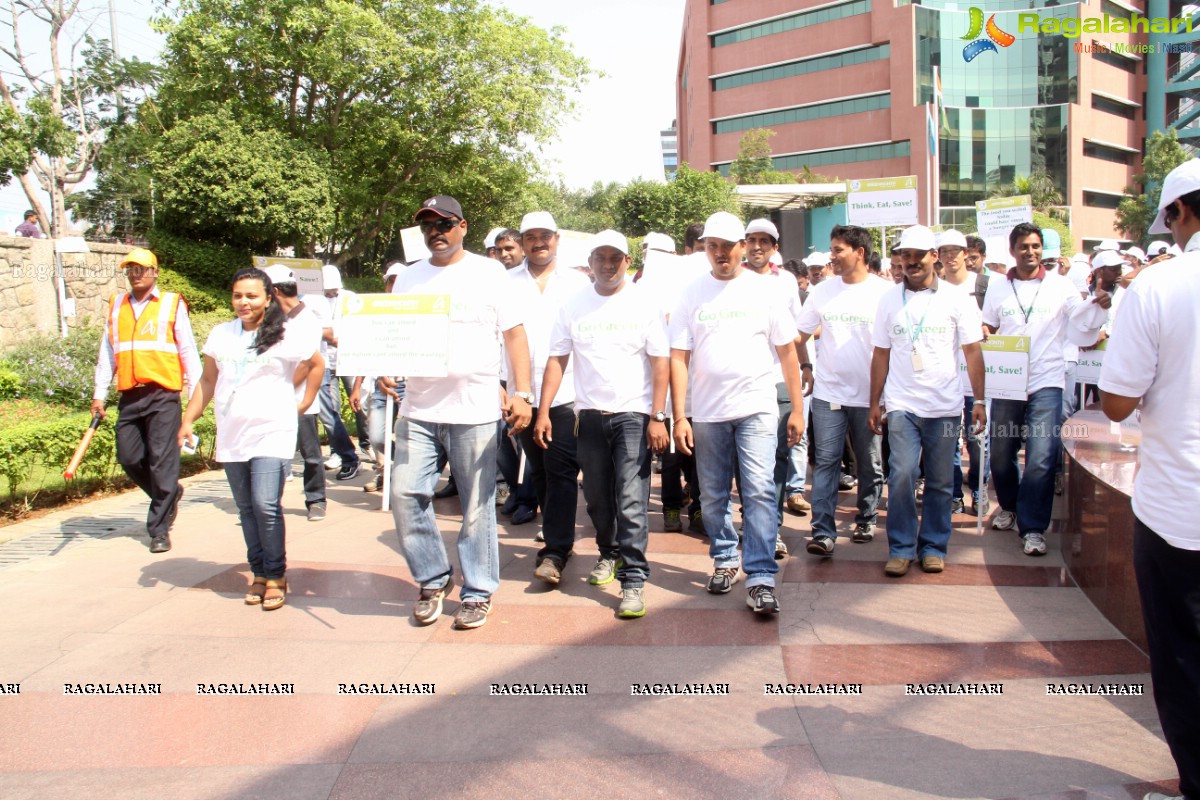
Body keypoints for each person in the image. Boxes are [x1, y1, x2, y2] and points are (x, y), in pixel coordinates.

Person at [1099, 158, 1200, 800]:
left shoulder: (1160, 286)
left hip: (1180, 510)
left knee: (1185, 658)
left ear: (1179, 213)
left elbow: (1114, 402)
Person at [389, 195, 533, 630]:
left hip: (474, 410)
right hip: (417, 408)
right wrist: (383, 367)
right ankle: (432, 578)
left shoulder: (489, 273)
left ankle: (477, 590)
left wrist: (522, 392)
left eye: (444, 223)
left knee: (476, 507)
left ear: (463, 227)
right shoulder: (408, 279)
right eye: (428, 224)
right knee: (404, 494)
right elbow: (394, 335)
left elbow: (514, 335)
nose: (436, 231)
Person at [670, 211, 804, 615]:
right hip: (708, 413)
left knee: (760, 489)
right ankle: (725, 559)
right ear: (703, 249)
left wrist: (797, 408)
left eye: (727, 246)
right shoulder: (691, 292)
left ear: (742, 247)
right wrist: (679, 415)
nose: (719, 254)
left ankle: (761, 576)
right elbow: (679, 356)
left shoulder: (766, 291)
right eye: (712, 246)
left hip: (757, 408)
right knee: (712, 494)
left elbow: (787, 352)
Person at [535, 230, 669, 618]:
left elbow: (660, 361)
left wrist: (658, 415)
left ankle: (634, 579)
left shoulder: (644, 303)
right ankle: (608, 553)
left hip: (632, 415)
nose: (608, 265)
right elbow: (558, 359)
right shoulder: (573, 304)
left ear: (628, 262)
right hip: (588, 416)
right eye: (601, 258)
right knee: (595, 496)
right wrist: (544, 411)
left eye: (616, 258)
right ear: (590, 262)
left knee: (630, 498)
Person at [180, 267, 323, 610]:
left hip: (272, 430)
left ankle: (276, 574)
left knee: (265, 505)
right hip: (233, 432)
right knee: (246, 508)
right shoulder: (221, 335)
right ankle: (257, 572)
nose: (243, 302)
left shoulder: (285, 333)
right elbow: (208, 381)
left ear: (268, 298)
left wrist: (302, 403)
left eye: (251, 296)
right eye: (237, 295)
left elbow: (315, 365)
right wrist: (188, 419)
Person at [983, 222, 1110, 556]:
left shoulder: (1060, 286)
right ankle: (1009, 506)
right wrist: (984, 333)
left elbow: (1079, 316)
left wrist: (1097, 306)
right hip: (1008, 382)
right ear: (1012, 251)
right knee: (1000, 453)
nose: (1031, 252)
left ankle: (1033, 527)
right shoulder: (997, 287)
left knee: (1041, 456)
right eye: (1024, 246)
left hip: (1047, 380)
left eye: (1036, 246)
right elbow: (990, 325)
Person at [868, 226, 987, 576]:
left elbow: (973, 351)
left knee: (939, 481)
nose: (911, 261)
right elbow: (880, 354)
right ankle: (902, 547)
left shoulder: (956, 298)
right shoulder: (889, 299)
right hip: (903, 404)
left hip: (945, 407)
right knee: (902, 473)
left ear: (934, 257)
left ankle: (933, 545)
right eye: (905, 255)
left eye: (918, 255)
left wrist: (979, 399)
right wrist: (874, 401)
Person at [92, 247, 200, 553]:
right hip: (130, 394)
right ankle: (167, 494)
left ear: (155, 272)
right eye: (131, 269)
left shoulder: (171, 303)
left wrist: (195, 395)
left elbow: (188, 350)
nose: (136, 274)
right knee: (129, 457)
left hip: (163, 394)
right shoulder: (116, 305)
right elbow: (107, 352)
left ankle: (159, 529)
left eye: (141, 269)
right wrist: (99, 393)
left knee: (162, 461)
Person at [798, 225, 891, 558]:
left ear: (860, 253)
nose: (831, 257)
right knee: (826, 463)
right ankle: (823, 530)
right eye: (831, 249)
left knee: (869, 463)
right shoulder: (822, 292)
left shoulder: (885, 293)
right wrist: (805, 367)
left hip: (870, 399)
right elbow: (799, 334)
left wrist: (881, 397)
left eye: (838, 250)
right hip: (828, 396)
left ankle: (866, 518)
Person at [510, 211, 591, 583]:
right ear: (522, 241)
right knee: (539, 469)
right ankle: (558, 537)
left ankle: (556, 550)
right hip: (520, 395)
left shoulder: (577, 283)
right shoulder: (505, 282)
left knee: (560, 469)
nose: (538, 242)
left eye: (545, 236)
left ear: (557, 239)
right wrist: (506, 389)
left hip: (567, 392)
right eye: (531, 237)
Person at [743, 218, 804, 557]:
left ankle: (772, 526)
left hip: (777, 380)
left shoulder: (786, 283)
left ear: (774, 247)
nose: (756, 246)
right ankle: (750, 521)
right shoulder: (729, 280)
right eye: (750, 240)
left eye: (763, 241)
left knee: (778, 456)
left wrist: (803, 366)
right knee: (744, 463)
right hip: (740, 385)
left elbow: (797, 332)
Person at [262, 264, 332, 520]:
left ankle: (316, 500)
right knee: (273, 454)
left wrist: (280, 389)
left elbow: (306, 363)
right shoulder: (273, 318)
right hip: (274, 399)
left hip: (300, 400)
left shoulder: (307, 320)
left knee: (310, 453)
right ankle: (268, 502)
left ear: (276, 291)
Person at [937, 229, 991, 515]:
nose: (949, 257)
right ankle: (955, 492)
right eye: (943, 252)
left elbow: (997, 324)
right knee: (951, 440)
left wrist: (988, 330)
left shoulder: (983, 285)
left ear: (965, 253)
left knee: (978, 439)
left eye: (954, 251)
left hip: (974, 377)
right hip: (945, 378)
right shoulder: (935, 288)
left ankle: (979, 488)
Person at [313, 264, 363, 479]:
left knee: (360, 403)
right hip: (323, 361)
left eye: (334, 290)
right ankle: (340, 452)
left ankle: (368, 442)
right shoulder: (311, 299)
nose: (330, 294)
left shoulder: (351, 298)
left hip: (349, 357)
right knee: (329, 411)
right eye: (327, 290)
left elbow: (362, 324)